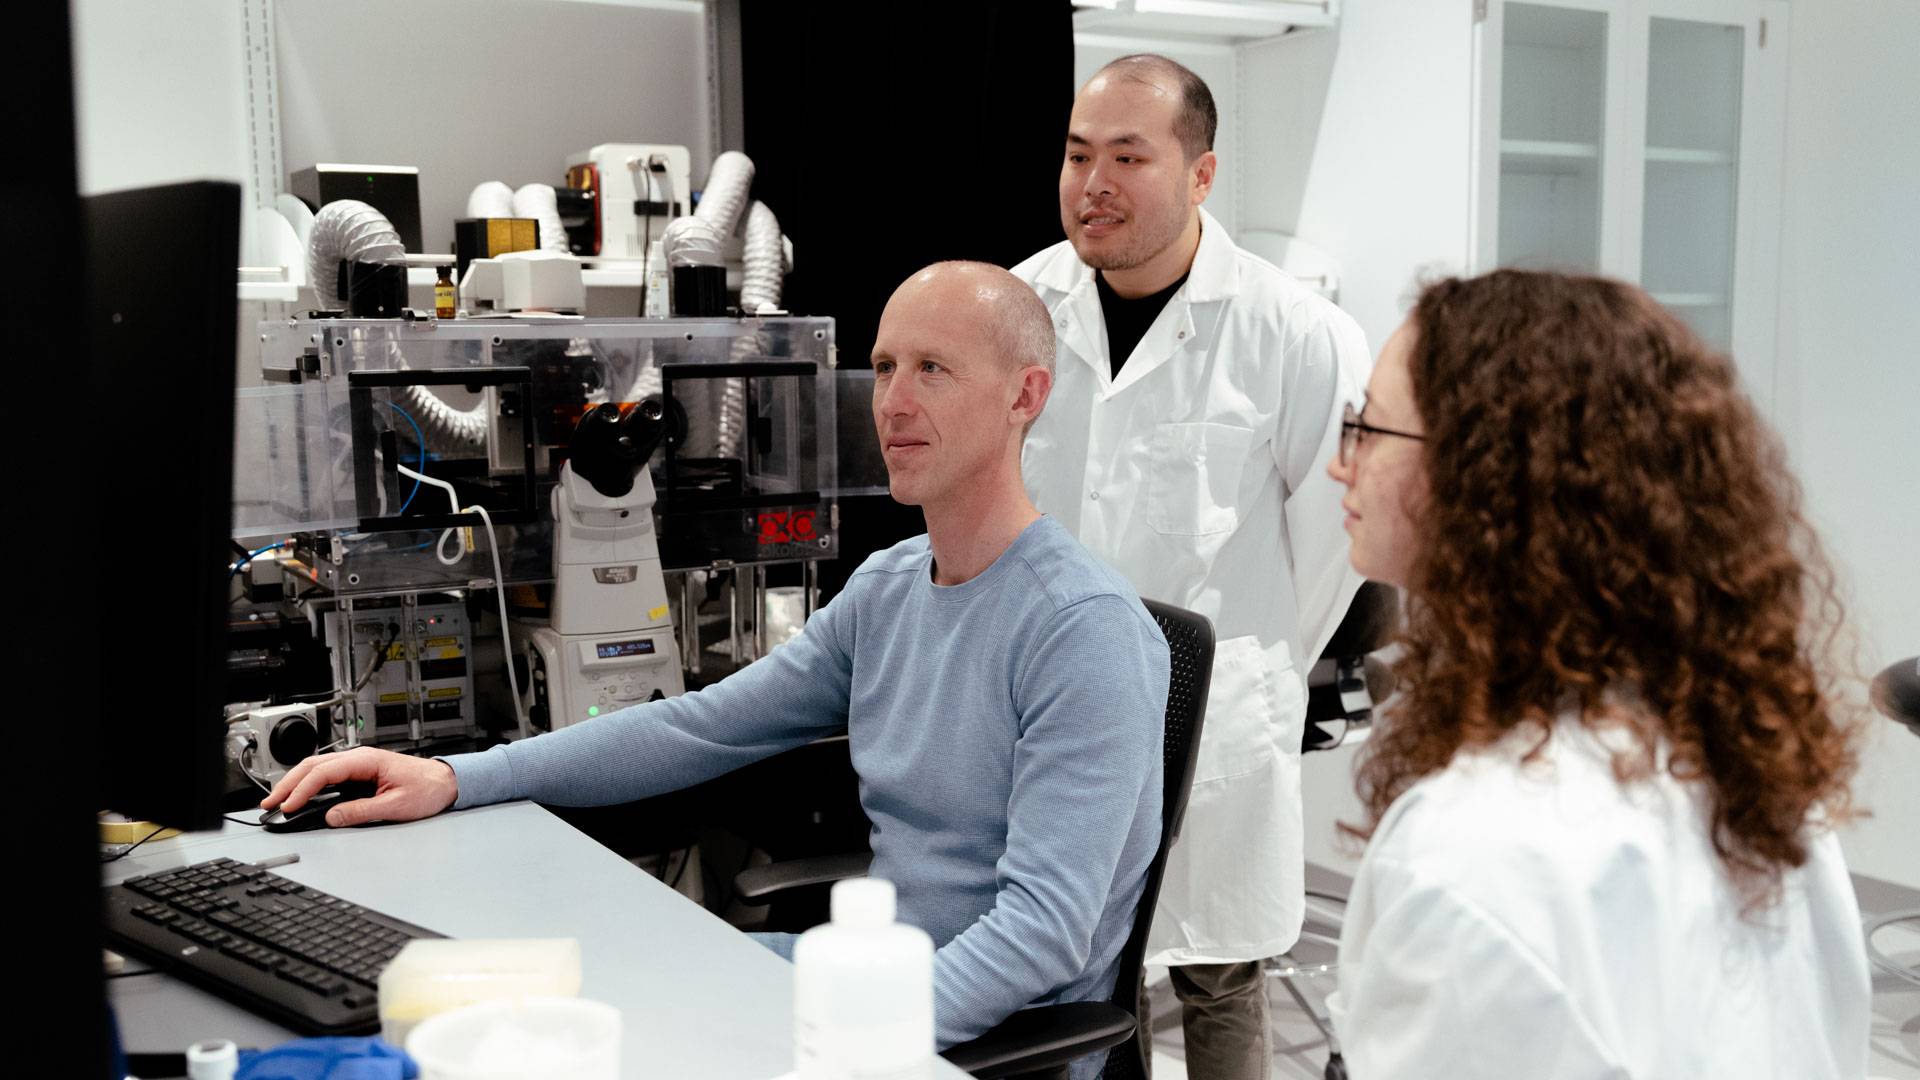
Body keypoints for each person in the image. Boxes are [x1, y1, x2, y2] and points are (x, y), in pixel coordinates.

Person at [263, 262, 1169, 1071]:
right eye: (886, 367)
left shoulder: (1081, 632)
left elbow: (1043, 937)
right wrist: (453, 778)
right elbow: (698, 724)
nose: (892, 402)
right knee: (552, 1013)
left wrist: (856, 1041)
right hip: (855, 989)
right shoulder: (891, 589)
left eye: (933, 369)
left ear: (1026, 395)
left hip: (962, 1036)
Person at [1324, 269, 1870, 1078]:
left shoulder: (1469, 855)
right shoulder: (1762, 793)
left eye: (1368, 430)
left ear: (1484, 479)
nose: (1343, 466)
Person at [1011, 52, 1371, 1076]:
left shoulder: (1294, 333)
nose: (1095, 184)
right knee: (1063, 972)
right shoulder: (1021, 308)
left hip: (1212, 717)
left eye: (1130, 156)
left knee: (1219, 975)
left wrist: (1245, 661)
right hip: (1050, 712)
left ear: (1202, 175)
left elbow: (1334, 545)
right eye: (1080, 154)